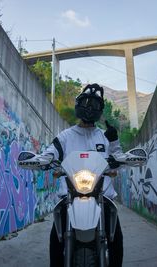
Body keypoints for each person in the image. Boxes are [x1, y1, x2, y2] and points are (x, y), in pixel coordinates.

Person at [41, 83, 123, 267]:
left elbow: (118, 158)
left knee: (116, 240)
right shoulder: (65, 136)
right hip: (70, 196)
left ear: (100, 110)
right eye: (86, 102)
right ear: (78, 104)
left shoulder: (104, 136)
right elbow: (49, 152)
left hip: (102, 197)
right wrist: (41, 160)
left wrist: (115, 141)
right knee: (55, 240)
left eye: (95, 105)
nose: (90, 108)